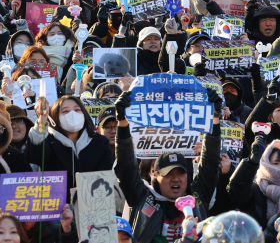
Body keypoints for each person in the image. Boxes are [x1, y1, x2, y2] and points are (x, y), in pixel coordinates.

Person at [113, 89, 222, 243]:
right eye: (168, 174)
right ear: (154, 176)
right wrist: (122, 121)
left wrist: (214, 116)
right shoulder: (141, 197)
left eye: (180, 173)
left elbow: (211, 162)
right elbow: (125, 167)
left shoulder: (197, 196)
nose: (175, 179)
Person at [26, 95, 113, 195]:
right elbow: (35, 157)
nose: (72, 114)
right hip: (56, 204)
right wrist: (42, 122)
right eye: (65, 111)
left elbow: (106, 175)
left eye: (77, 110)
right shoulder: (47, 140)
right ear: (54, 116)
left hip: (92, 204)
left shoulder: (100, 142)